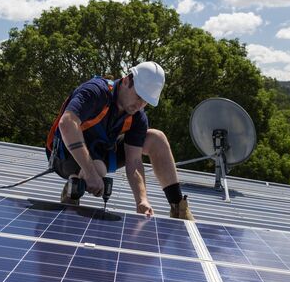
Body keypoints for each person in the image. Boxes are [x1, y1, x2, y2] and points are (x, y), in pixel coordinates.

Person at [46, 61, 193, 220]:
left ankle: (178, 207)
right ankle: (72, 191)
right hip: (64, 154)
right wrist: (90, 172)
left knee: (157, 138)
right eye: (139, 96)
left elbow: (134, 161)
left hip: (101, 150)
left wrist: (141, 200)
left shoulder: (137, 116)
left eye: (145, 101)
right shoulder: (95, 91)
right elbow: (67, 123)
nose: (140, 104)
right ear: (126, 81)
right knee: (98, 169)